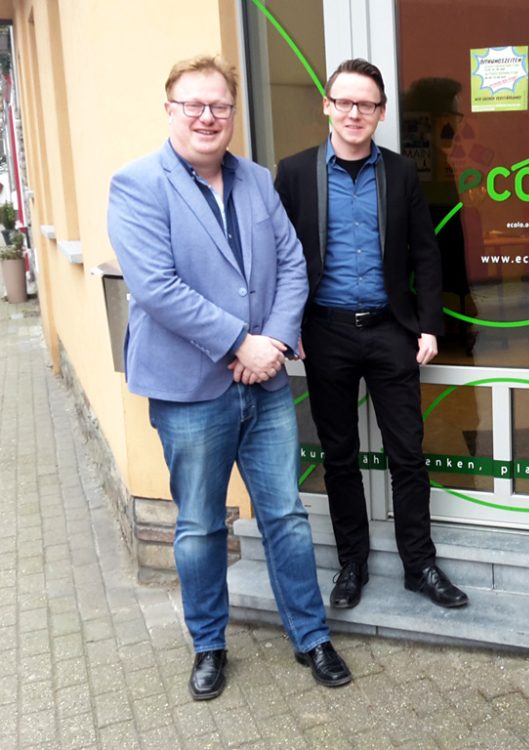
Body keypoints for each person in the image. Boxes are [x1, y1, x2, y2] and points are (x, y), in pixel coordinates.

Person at [107, 55, 351, 701]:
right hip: (191, 392)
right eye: (194, 104)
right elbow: (157, 288)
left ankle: (311, 636)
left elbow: (293, 266)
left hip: (264, 384)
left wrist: (268, 343)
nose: (208, 116)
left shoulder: (255, 181)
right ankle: (209, 644)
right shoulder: (136, 184)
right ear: (170, 110)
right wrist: (240, 342)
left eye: (219, 105)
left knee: (286, 516)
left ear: (233, 114)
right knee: (200, 525)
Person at [275, 58, 468, 610]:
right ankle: (352, 564)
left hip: (390, 331)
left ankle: (419, 565)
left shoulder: (401, 173)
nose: (355, 113)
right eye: (346, 102)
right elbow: (278, 259)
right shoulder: (292, 173)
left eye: (367, 104)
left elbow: (426, 254)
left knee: (408, 454)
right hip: (325, 332)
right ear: (327, 106)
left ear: (381, 114)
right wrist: (288, 327)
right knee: (339, 457)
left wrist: (429, 324)